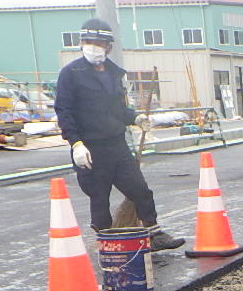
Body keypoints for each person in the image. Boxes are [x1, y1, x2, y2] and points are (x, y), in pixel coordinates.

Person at [53, 18, 183, 250]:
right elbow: (64, 111)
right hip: (90, 147)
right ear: (81, 43)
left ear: (109, 46)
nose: (93, 46)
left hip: (116, 144)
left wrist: (134, 118)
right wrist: (76, 144)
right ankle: (107, 242)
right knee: (99, 196)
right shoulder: (71, 74)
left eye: (99, 43)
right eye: (88, 42)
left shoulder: (114, 74)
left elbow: (117, 108)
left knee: (140, 190)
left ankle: (153, 234)